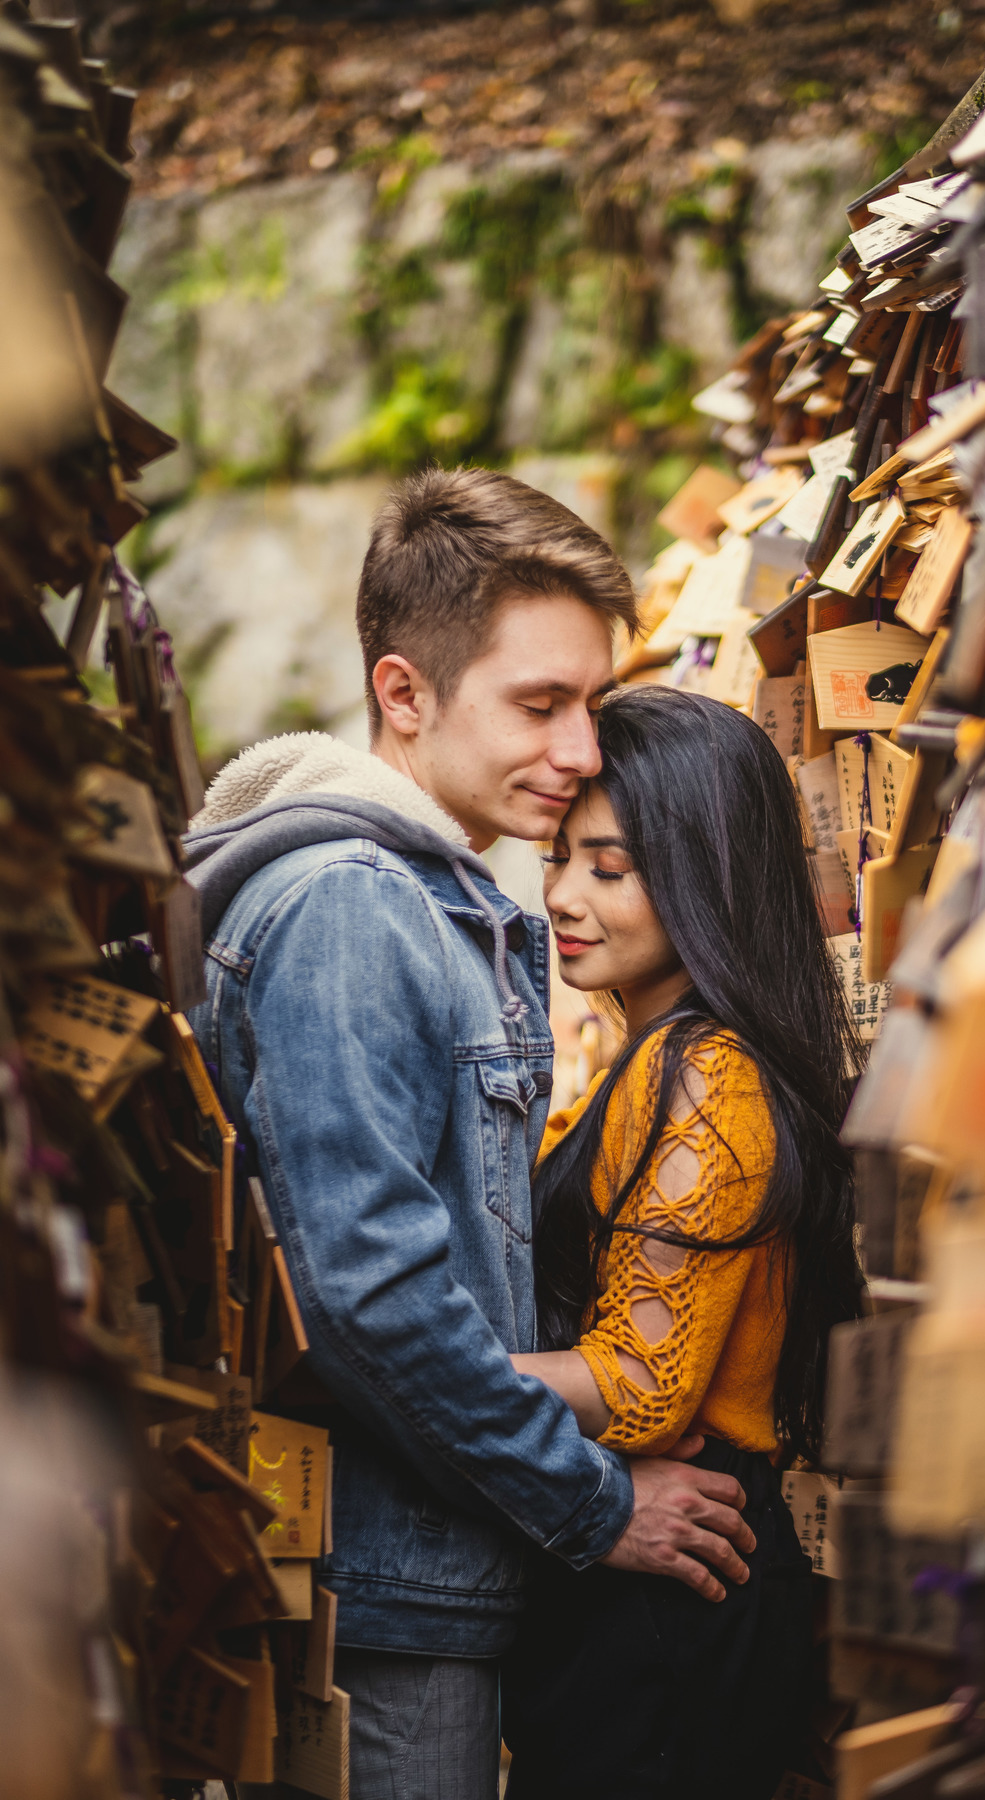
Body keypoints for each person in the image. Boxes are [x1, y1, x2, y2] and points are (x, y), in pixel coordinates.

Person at [182, 469, 755, 1800]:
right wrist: (598, 1504)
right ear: (404, 694)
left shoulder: (424, 900)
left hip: (411, 1583)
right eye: (539, 704)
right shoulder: (354, 909)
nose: (580, 752)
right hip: (380, 1608)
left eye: (591, 705)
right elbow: (370, 1299)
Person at [501, 684, 863, 1800]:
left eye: (609, 869)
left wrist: (401, 1375)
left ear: (708, 874)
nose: (561, 895)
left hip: (675, 1581)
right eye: (561, 857)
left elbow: (642, 1387)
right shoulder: (666, 1053)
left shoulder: (702, 1072)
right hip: (670, 1570)